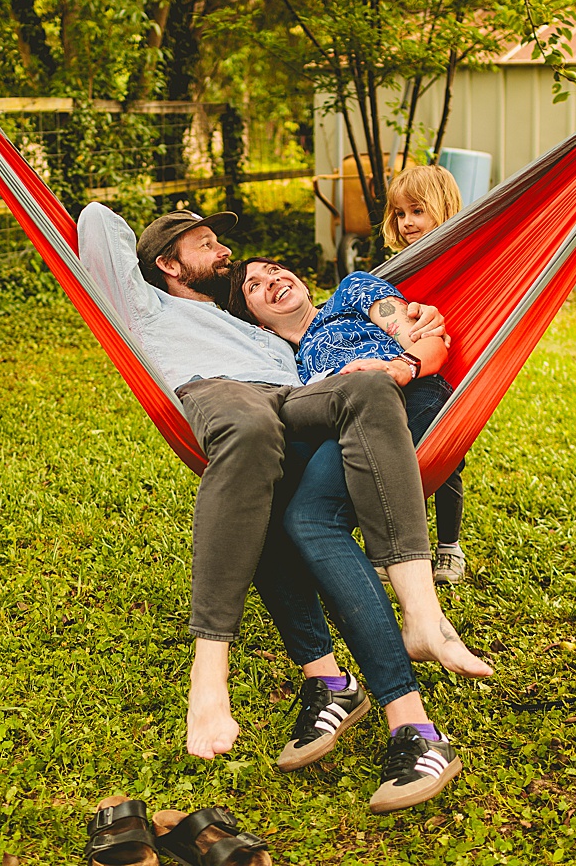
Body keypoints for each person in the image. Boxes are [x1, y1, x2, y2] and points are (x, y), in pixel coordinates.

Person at [78, 202, 482, 812]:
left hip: (296, 400)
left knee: (365, 393)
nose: (225, 253)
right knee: (252, 457)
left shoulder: (262, 333)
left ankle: (410, 628)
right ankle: (213, 671)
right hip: (224, 395)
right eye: (206, 244)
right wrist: (176, 220)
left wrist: (406, 342)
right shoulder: (148, 305)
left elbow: (368, 341)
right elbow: (96, 226)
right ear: (167, 264)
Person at [226, 255, 495, 811]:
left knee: (310, 520)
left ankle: (416, 729)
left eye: (275, 269)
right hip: (342, 429)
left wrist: (400, 367)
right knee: (270, 514)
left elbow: (423, 337)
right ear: (251, 315)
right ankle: (332, 686)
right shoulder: (281, 360)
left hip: (404, 404)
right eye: (254, 284)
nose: (272, 279)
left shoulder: (350, 295)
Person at [383, 165, 468, 584]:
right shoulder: (400, 268)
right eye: (400, 214)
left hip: (455, 375)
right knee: (395, 453)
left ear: (443, 208)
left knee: (447, 461)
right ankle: (394, 547)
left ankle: (450, 547)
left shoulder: (462, 257)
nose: (407, 222)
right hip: (403, 372)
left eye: (417, 211)